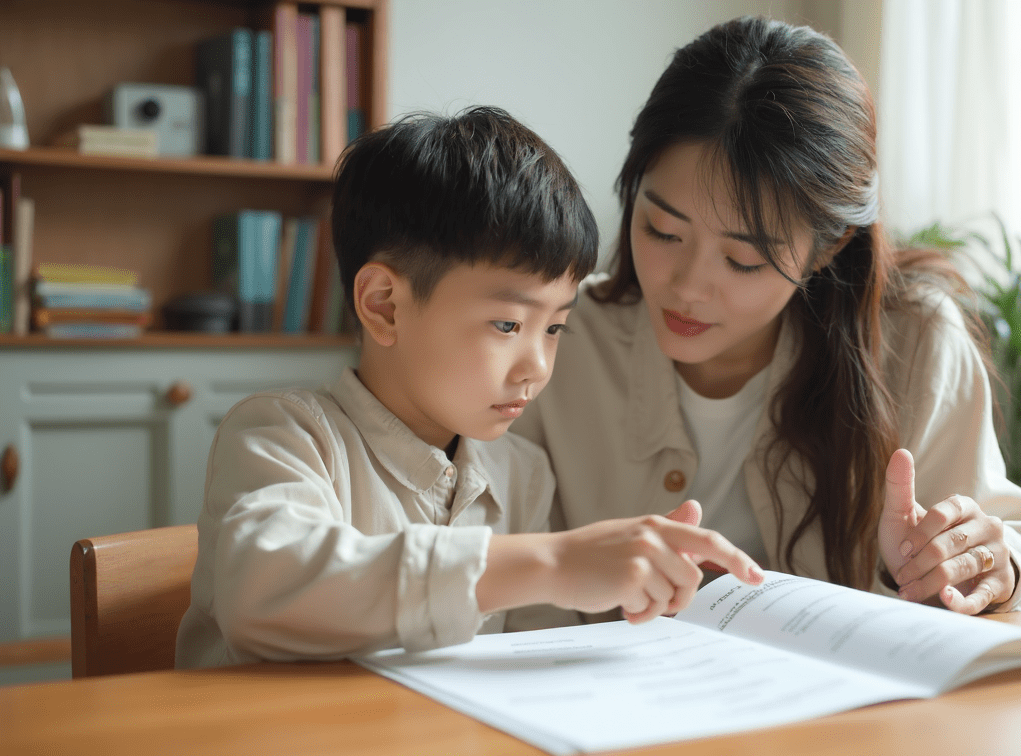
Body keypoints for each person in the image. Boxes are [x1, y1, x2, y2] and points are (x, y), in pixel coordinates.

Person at [175, 107, 764, 669]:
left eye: (555, 327)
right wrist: (553, 561)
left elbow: (534, 661)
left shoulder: (523, 474)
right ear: (384, 305)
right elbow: (268, 589)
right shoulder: (284, 435)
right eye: (508, 324)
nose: (536, 365)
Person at [511, 17, 1021, 616]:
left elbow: (1006, 549)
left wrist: (983, 566)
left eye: (743, 260)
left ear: (829, 247)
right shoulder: (555, 336)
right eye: (661, 230)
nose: (687, 287)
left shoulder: (916, 340)